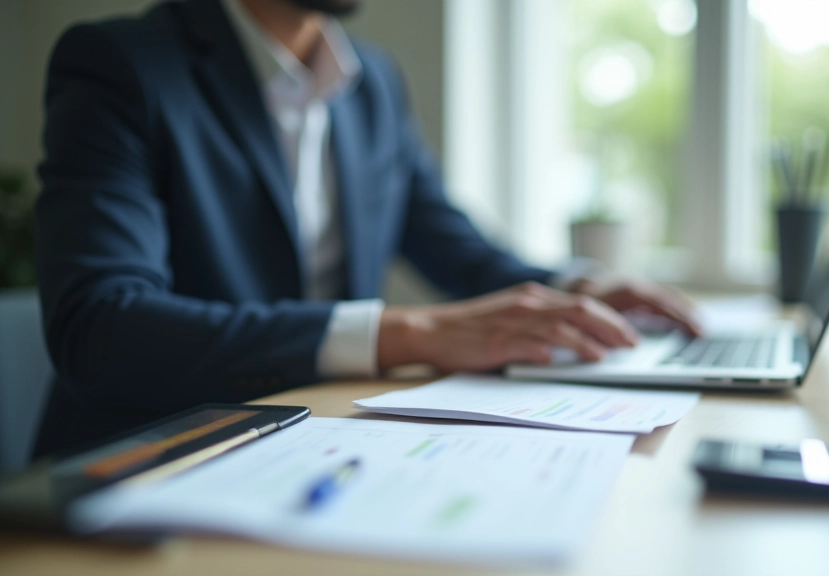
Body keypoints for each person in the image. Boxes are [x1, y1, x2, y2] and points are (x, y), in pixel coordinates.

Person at [32, 0, 700, 458]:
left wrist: (578, 288)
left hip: (317, 440)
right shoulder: (123, 64)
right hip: (148, 462)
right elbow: (102, 329)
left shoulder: (372, 81)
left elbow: (452, 244)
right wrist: (410, 332)